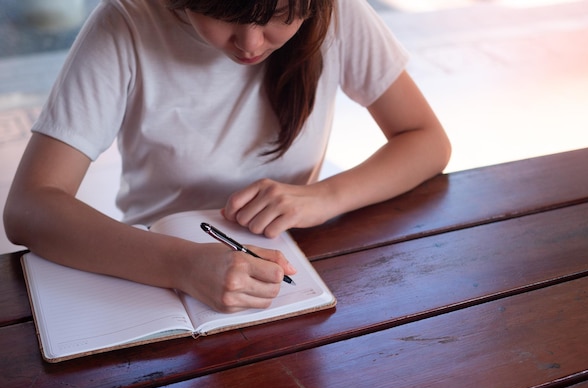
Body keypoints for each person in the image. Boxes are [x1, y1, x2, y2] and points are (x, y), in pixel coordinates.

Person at [3, 0, 451, 313]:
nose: (251, 43)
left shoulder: (337, 12)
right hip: (149, 272)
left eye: (278, 15)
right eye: (223, 14)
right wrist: (181, 265)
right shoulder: (128, 22)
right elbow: (29, 206)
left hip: (289, 270)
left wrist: (324, 196)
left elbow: (426, 140)